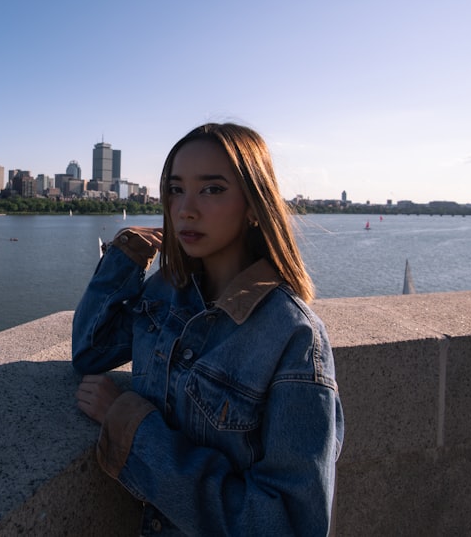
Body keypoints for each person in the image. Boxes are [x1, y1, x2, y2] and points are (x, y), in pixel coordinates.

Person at [72, 123, 343, 536]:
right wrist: (127, 253)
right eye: (176, 189)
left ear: (255, 205)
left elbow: (286, 524)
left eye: (212, 189)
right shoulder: (167, 292)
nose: (186, 209)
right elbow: (91, 351)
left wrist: (128, 422)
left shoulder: (294, 339)